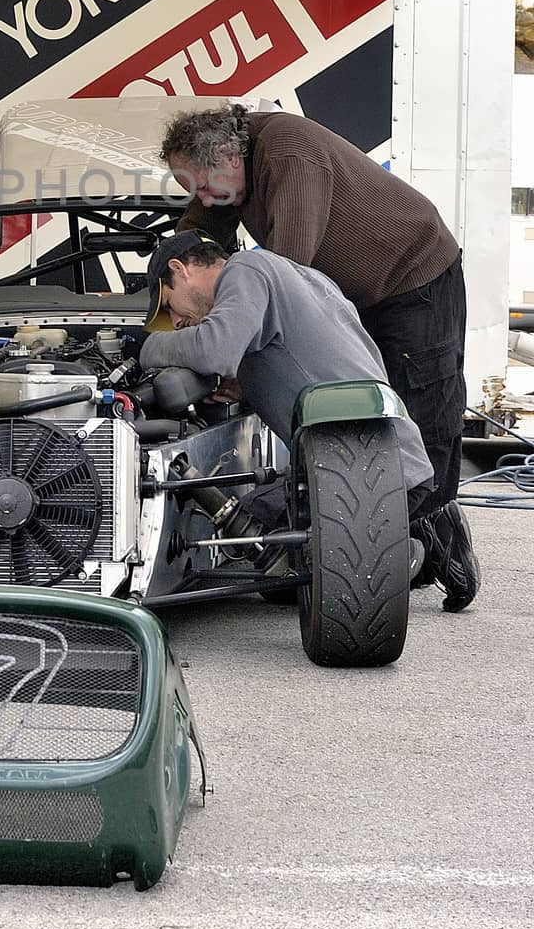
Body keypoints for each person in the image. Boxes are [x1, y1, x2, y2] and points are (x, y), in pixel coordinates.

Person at [157, 103, 479, 611]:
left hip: (414, 272)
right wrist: (157, 294)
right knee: (365, 414)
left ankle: (439, 542)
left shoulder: (289, 150)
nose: (201, 198)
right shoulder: (226, 174)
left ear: (226, 153)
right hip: (361, 291)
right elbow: (193, 242)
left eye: (201, 185)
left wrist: (227, 346)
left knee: (423, 405)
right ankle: (396, 540)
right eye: (191, 189)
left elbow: (288, 268)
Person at [141, 231, 435, 548]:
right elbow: (306, 357)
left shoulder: (244, 269)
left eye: (168, 306)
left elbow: (215, 351)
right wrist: (248, 385)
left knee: (251, 537)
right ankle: (421, 530)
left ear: (179, 268)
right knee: (283, 574)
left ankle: (422, 547)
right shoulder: (302, 276)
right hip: (395, 466)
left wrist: (150, 347)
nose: (175, 323)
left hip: (366, 477)